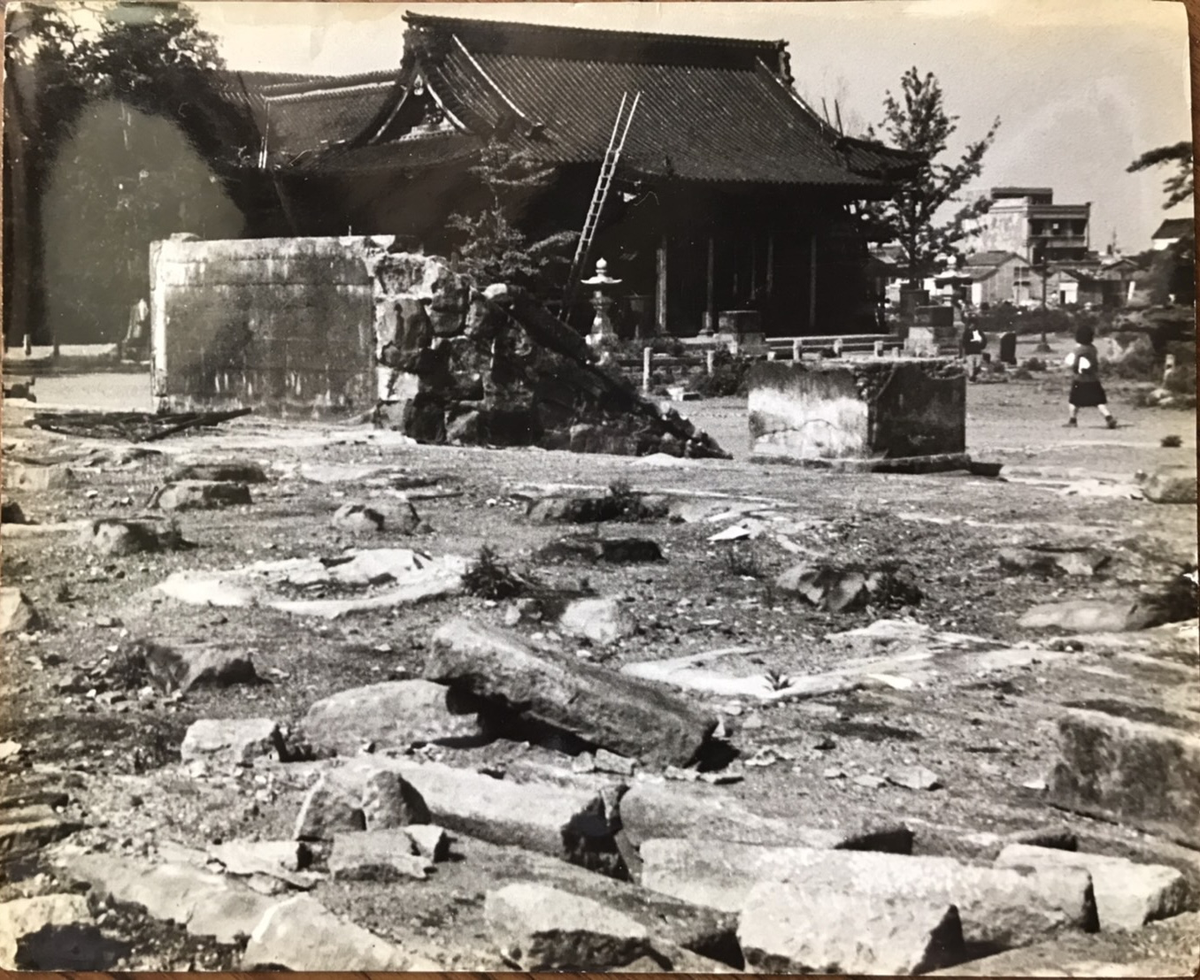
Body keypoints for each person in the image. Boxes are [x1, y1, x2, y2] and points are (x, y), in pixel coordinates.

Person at [1064, 323, 1117, 428]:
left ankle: (1073, 420)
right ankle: (1108, 417)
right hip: (1093, 379)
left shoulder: (1077, 350)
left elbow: (1071, 362)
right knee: (1099, 402)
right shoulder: (1093, 349)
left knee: (1074, 401)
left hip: (1079, 379)